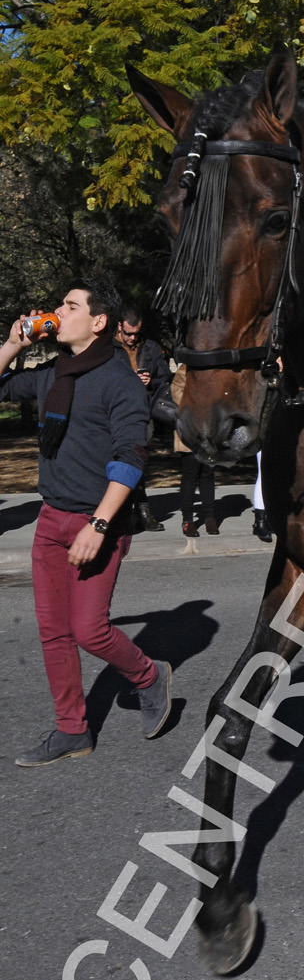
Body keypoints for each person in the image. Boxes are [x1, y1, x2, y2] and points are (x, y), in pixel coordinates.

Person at [0, 278, 172, 766]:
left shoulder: (118, 381)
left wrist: (98, 526)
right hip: (50, 516)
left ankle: (149, 676)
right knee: (53, 631)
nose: (57, 311)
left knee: (88, 630)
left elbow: (131, 457)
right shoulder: (54, 372)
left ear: (98, 323)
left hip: (97, 522)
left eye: (69, 305)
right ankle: (72, 729)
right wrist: (14, 342)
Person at [116, 306, 169, 531]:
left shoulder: (151, 349)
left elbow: (165, 378)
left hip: (142, 414)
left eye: (136, 333)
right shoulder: (106, 349)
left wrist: (151, 381)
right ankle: (133, 512)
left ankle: (141, 512)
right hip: (115, 413)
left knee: (136, 462)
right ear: (119, 327)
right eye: (128, 333)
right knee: (121, 463)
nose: (131, 338)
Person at [171, 363, 218, 535]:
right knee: (190, 476)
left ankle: (210, 517)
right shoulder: (186, 368)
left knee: (208, 476)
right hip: (189, 429)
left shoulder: (215, 369)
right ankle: (187, 520)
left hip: (211, 431)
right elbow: (177, 394)